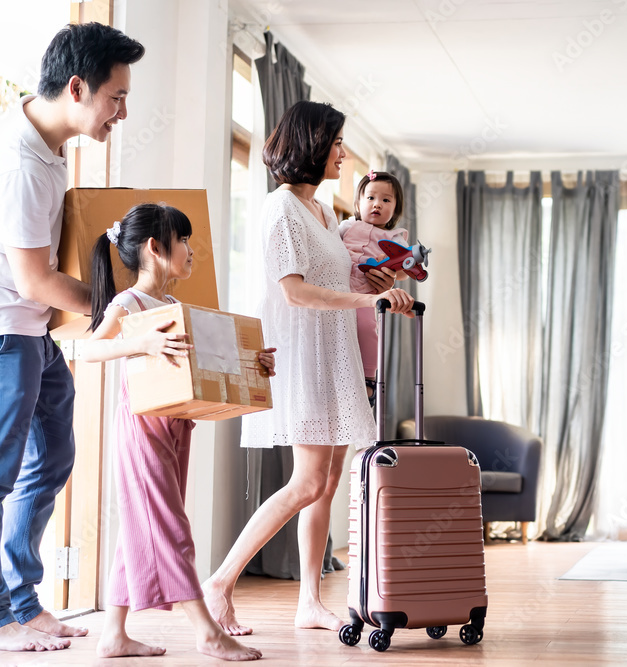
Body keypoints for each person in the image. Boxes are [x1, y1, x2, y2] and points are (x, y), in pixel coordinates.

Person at [0, 22, 144, 652]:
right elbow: (33, 279)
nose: (123, 111)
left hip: (26, 331)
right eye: (116, 96)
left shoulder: (46, 140)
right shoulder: (22, 162)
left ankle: (24, 602)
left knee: (53, 457)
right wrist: (117, 308)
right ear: (78, 88)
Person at [202, 101, 413, 635]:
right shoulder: (280, 210)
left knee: (327, 481)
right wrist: (367, 304)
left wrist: (382, 289)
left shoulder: (325, 214)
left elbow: (342, 281)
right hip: (302, 358)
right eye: (338, 142)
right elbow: (293, 292)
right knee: (307, 482)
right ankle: (220, 582)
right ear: (314, 144)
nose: (344, 153)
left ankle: (309, 601)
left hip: (335, 354)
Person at [81, 204, 270, 661]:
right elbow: (89, 350)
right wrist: (141, 342)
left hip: (176, 426)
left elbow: (205, 363)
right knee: (170, 527)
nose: (190, 250)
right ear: (154, 247)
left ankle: (114, 634)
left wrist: (255, 363)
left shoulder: (172, 305)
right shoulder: (129, 304)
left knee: (142, 524)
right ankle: (205, 631)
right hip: (142, 428)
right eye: (182, 240)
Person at [338, 170, 409, 405]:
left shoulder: (395, 238)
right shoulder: (346, 227)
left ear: (395, 209)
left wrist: (392, 273)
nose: (377, 204)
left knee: (368, 328)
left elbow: (404, 269)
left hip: (366, 296)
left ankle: (369, 378)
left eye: (386, 200)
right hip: (338, 292)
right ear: (358, 203)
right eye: (370, 198)